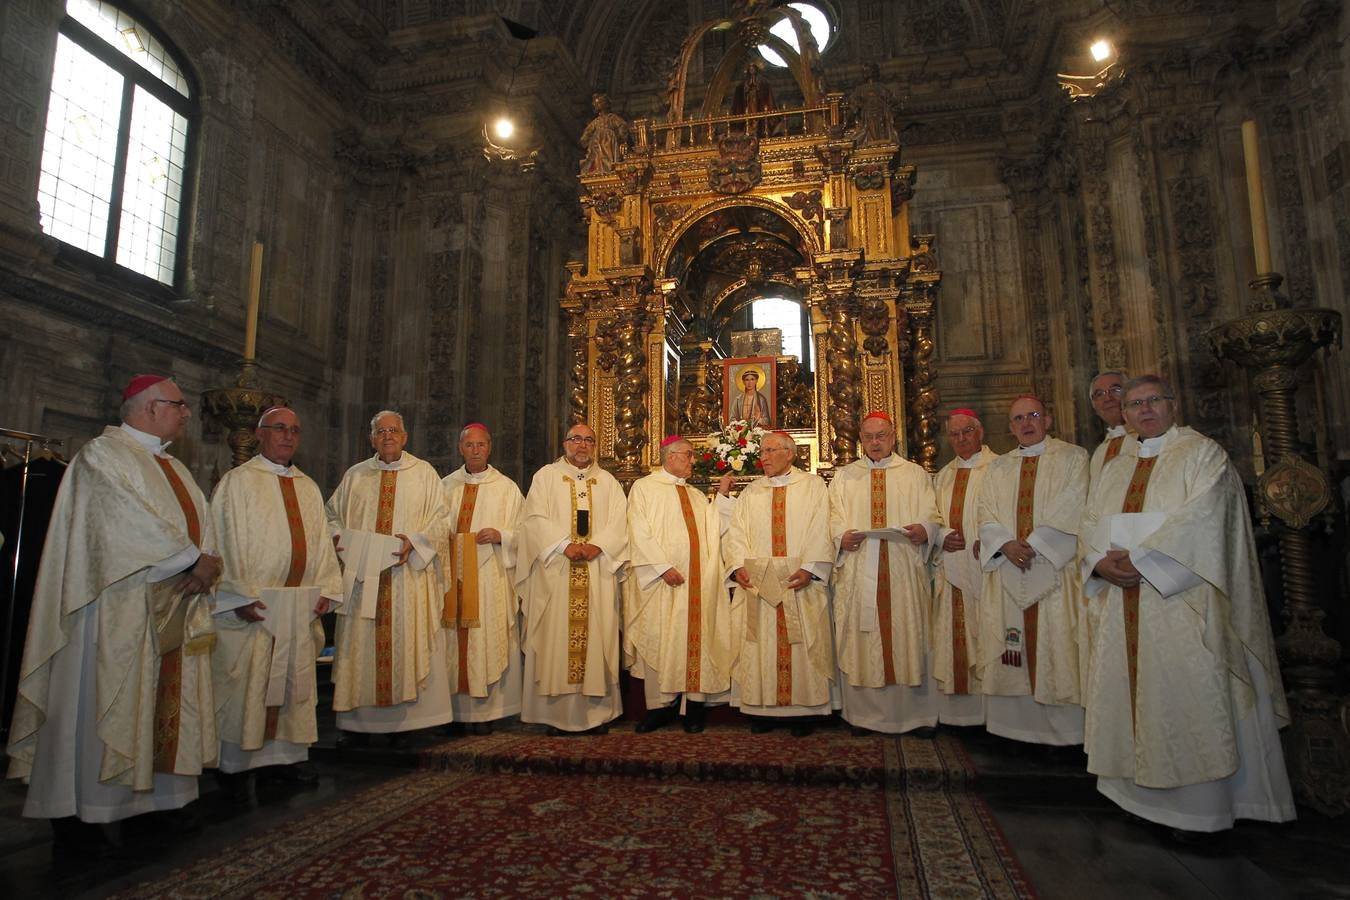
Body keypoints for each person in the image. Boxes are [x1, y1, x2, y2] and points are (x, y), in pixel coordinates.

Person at [7, 375, 221, 848]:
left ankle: (155, 803)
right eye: (179, 404)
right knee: (105, 701)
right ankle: (84, 812)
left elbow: (204, 527)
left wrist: (205, 563)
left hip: (172, 608)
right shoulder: (101, 457)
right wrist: (191, 560)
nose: (187, 413)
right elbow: (122, 523)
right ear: (147, 407)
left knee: (162, 705)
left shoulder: (176, 469)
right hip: (115, 612)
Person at [1080, 375, 1295, 834]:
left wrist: (1140, 559)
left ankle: (1201, 812)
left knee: (1188, 695)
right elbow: (1092, 520)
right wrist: (1098, 562)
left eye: (1152, 400)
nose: (1144, 410)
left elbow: (1204, 520)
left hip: (1184, 603)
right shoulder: (1116, 465)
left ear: (1172, 404)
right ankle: (1137, 799)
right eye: (1135, 404)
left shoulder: (1202, 454)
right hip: (1125, 603)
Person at [208, 406, 342, 801]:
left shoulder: (308, 487)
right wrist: (237, 596)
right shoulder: (238, 483)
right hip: (255, 608)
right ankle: (234, 768)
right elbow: (222, 540)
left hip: (297, 608)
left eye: (294, 430)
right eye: (279, 429)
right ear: (259, 435)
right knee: (246, 687)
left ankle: (283, 762)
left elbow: (320, 544)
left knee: (290, 686)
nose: (287, 436)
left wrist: (325, 591)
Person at [326, 411, 452, 747]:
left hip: (407, 578)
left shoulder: (424, 474)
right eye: (380, 431)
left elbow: (442, 520)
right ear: (371, 439)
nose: (387, 436)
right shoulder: (355, 477)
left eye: (393, 430)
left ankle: (409, 724)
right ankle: (359, 724)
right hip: (363, 578)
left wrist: (416, 540)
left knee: (406, 641)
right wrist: (342, 541)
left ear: (405, 436)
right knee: (361, 646)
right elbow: (329, 518)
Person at [975, 395, 1087, 745]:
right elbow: (986, 512)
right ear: (1010, 428)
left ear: (1048, 420)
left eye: (1033, 415)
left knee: (1058, 644)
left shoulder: (1073, 458)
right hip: (1009, 569)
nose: (1026, 423)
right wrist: (1005, 545)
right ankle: (1015, 731)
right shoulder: (998, 468)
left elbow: (1075, 504)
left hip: (1054, 571)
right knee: (1012, 646)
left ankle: (1063, 736)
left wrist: (1035, 544)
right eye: (1019, 419)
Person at [829, 412, 940, 734]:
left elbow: (932, 514)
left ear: (893, 437)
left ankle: (915, 716)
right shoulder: (845, 477)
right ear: (860, 440)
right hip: (860, 565)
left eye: (881, 436)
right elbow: (833, 516)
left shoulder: (914, 474)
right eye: (868, 437)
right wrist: (841, 537)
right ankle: (863, 716)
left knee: (907, 633)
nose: (875, 443)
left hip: (903, 566)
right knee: (863, 640)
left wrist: (925, 529)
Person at [517, 423, 629, 734]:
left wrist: (597, 545)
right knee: (555, 639)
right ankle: (555, 716)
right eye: (576, 439)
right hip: (557, 570)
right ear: (565, 443)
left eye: (588, 440)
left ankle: (595, 715)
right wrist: (564, 545)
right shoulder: (545, 477)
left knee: (597, 639)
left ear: (595, 446)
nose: (581, 445)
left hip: (596, 570)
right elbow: (534, 519)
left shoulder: (608, 482)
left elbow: (620, 522)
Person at [725, 431, 835, 736]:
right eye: (762, 451)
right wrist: (737, 567)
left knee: (802, 645)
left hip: (798, 582)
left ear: (790, 453)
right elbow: (736, 533)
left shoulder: (812, 487)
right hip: (758, 584)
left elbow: (822, 527)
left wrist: (810, 569)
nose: (764, 456)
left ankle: (803, 712)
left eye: (771, 450)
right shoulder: (752, 492)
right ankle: (760, 710)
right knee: (760, 644)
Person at [625, 437, 734, 734]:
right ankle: (659, 708)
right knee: (660, 639)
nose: (692, 461)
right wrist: (661, 567)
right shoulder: (644, 488)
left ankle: (693, 708)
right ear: (670, 456)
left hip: (696, 584)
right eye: (688, 455)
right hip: (662, 583)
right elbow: (638, 530)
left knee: (694, 641)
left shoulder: (697, 496)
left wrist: (722, 496)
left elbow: (714, 529)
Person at [440, 423, 524, 734]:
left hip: (490, 578)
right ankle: (453, 712)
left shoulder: (506, 488)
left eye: (481, 445)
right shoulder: (444, 486)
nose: (475, 451)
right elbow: (431, 526)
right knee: (451, 642)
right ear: (460, 448)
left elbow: (524, 531)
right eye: (469, 445)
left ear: (490, 448)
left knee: (486, 638)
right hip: (452, 577)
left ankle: (487, 713)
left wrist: (501, 534)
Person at [931, 408, 998, 726]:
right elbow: (934, 517)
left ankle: (990, 713)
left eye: (966, 431)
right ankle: (958, 716)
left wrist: (990, 539)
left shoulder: (999, 468)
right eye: (954, 434)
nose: (960, 439)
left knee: (987, 632)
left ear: (980, 432)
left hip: (988, 569)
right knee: (954, 635)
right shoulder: (944, 475)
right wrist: (941, 535)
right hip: (953, 568)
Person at [1087, 371, 1135, 483]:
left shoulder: (1148, 439)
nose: (1108, 398)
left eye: (1115, 390)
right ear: (1094, 406)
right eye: (1099, 394)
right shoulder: (1100, 452)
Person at [579, 92, 631, 176]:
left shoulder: (612, 118)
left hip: (610, 146)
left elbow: (623, 126)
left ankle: (610, 168)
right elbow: (587, 134)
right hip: (597, 147)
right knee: (597, 156)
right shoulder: (596, 122)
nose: (596, 105)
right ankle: (599, 169)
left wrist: (619, 138)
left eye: (599, 102)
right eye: (595, 103)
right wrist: (586, 140)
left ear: (606, 104)